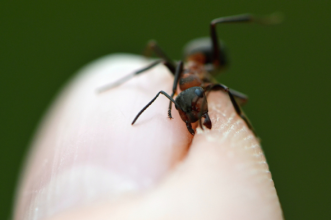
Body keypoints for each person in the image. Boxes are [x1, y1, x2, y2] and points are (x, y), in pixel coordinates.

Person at [13, 54, 283, 220]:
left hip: (209, 57)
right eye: (188, 109)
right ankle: (121, 81)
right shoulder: (182, 82)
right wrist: (172, 106)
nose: (192, 114)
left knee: (223, 85)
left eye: (192, 108)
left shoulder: (202, 81)